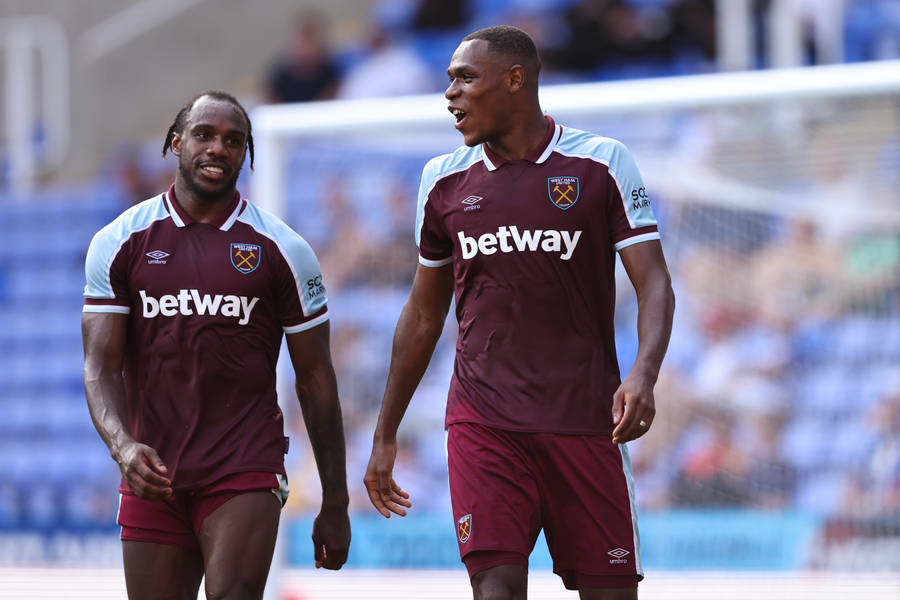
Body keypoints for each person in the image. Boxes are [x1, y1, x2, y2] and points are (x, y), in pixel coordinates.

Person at [364, 26, 675, 599]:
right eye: (449, 80)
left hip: (585, 421)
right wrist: (386, 433)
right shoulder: (442, 180)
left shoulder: (601, 164)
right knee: (496, 588)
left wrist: (643, 375)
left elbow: (654, 282)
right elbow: (423, 314)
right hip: (484, 422)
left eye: (464, 79)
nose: (450, 94)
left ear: (514, 80)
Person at [82, 91, 350, 600]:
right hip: (152, 469)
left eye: (234, 140)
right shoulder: (119, 242)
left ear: (246, 155)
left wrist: (334, 499)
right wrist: (123, 448)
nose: (218, 148)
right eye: (204, 134)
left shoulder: (284, 250)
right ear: (176, 143)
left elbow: (317, 378)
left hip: (243, 463)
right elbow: (99, 368)